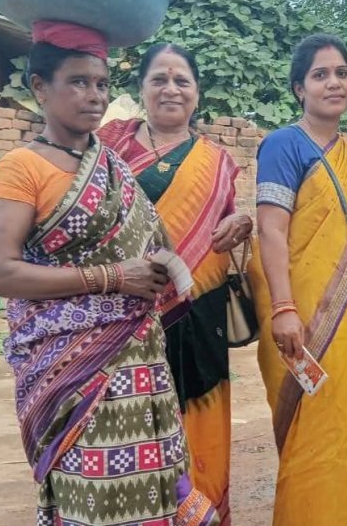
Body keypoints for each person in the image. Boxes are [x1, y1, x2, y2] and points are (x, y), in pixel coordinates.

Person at [0, 22, 218, 525]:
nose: (95, 96)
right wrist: (113, 278)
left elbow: (154, 246)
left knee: (152, 490)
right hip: (73, 372)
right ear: (40, 87)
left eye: (102, 84)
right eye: (78, 82)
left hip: (139, 360)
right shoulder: (22, 168)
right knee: (94, 495)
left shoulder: (113, 167)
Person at [98, 43, 251, 523]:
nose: (171, 89)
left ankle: (201, 510)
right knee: (127, 422)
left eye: (182, 80)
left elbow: (227, 222)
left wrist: (242, 221)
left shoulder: (217, 162)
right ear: (141, 88)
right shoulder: (106, 149)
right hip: (122, 314)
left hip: (199, 316)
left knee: (200, 421)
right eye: (159, 79)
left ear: (197, 92)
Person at [246, 34, 347, 525]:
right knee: (310, 434)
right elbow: (271, 229)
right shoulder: (284, 144)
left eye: (341, 73)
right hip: (298, 314)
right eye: (320, 75)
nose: (333, 83)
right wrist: (284, 309)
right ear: (299, 88)